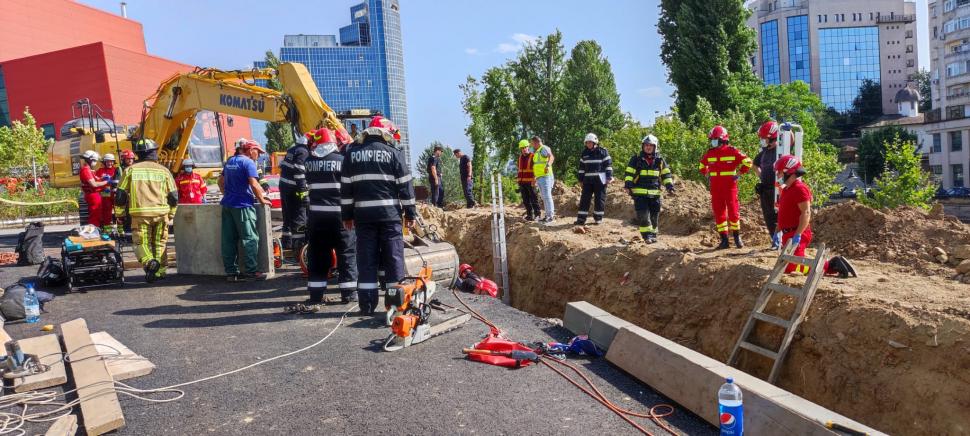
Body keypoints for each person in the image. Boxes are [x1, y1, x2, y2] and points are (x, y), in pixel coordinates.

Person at [341, 115, 415, 316]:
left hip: (363, 218)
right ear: (386, 133)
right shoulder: (394, 153)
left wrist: (346, 215)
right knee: (393, 259)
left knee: (366, 260)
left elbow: (346, 189)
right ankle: (395, 305)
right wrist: (410, 213)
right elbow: (405, 187)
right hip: (390, 217)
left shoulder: (352, 153)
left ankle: (366, 306)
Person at [295, 127, 358, 310]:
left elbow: (302, 186)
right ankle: (348, 294)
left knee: (317, 256)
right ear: (333, 143)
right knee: (346, 254)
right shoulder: (342, 161)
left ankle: (316, 295)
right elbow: (350, 189)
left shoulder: (308, 162)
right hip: (340, 218)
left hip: (316, 218)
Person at [774, 155, 857, 278]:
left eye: (780, 172)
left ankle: (830, 265)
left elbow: (806, 213)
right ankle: (826, 265)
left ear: (789, 172)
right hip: (788, 234)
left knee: (791, 268)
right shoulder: (786, 190)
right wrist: (777, 231)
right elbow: (784, 213)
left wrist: (798, 234)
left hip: (797, 232)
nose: (778, 175)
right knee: (788, 266)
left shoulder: (800, 189)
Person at [114, 139, 178, 282]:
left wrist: (120, 215)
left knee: (141, 243)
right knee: (159, 243)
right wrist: (172, 213)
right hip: (161, 214)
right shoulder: (164, 171)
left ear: (138, 154)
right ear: (154, 153)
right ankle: (159, 272)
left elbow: (120, 196)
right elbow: (174, 196)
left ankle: (149, 263)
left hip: (140, 215)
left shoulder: (130, 170)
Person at [219, 140, 272, 282]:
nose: (259, 155)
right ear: (250, 150)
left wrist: (227, 195)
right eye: (258, 152)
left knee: (229, 240)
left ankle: (231, 273)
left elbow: (220, 182)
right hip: (243, 206)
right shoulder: (248, 163)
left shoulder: (230, 162)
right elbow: (254, 184)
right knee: (250, 239)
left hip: (228, 206)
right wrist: (262, 199)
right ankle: (251, 271)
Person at [699, 125, 752, 249]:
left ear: (722, 139)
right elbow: (701, 166)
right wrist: (707, 174)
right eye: (711, 139)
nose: (712, 142)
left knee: (733, 212)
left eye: (714, 139)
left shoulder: (733, 151)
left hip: (730, 187)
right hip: (716, 188)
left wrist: (739, 174)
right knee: (719, 213)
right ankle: (724, 240)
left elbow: (748, 162)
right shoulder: (710, 153)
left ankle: (737, 238)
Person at [624, 135, 674, 244]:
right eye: (646, 145)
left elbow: (666, 175)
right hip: (640, 194)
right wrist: (628, 184)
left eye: (651, 145)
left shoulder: (660, 160)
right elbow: (629, 173)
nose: (648, 147)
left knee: (654, 217)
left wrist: (669, 186)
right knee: (643, 216)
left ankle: (653, 235)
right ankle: (647, 236)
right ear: (643, 146)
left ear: (655, 147)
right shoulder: (636, 159)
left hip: (655, 194)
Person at [279, 135, 310, 250]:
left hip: (285, 187)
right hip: (294, 190)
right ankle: (299, 247)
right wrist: (303, 193)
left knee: (287, 217)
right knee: (300, 218)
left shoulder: (292, 149)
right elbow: (299, 173)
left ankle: (287, 244)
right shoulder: (304, 151)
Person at [574, 133, 613, 225]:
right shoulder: (584, 153)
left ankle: (598, 219)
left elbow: (608, 165)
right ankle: (581, 220)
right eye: (587, 143)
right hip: (587, 181)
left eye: (590, 142)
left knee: (599, 199)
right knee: (584, 199)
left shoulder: (603, 152)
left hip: (600, 180)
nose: (588, 144)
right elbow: (581, 168)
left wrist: (608, 177)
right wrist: (580, 180)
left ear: (595, 142)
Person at [754, 120, 781, 249]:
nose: (762, 141)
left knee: (779, 216)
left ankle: (780, 241)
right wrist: (762, 177)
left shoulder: (782, 149)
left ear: (772, 138)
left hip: (778, 188)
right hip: (766, 189)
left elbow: (791, 139)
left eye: (764, 138)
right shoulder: (764, 152)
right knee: (769, 217)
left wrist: (786, 130)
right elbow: (755, 165)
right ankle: (774, 241)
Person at [79, 150, 109, 227]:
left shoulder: (89, 170)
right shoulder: (86, 170)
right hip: (92, 195)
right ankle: (93, 231)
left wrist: (102, 178)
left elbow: (95, 180)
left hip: (94, 195)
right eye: (95, 160)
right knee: (95, 215)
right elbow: (94, 184)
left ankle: (96, 230)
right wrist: (106, 182)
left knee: (98, 214)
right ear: (90, 160)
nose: (95, 163)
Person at [531, 136, 556, 223]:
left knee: (547, 196)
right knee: (544, 197)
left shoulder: (543, 148)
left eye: (532, 143)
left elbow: (551, 157)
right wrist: (534, 178)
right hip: (540, 177)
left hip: (545, 176)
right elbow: (536, 166)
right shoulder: (537, 151)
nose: (532, 145)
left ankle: (550, 216)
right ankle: (547, 215)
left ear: (536, 142)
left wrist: (548, 165)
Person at [516, 139, 542, 221]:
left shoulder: (533, 156)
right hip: (522, 182)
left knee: (534, 199)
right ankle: (529, 215)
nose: (524, 149)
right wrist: (518, 180)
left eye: (525, 147)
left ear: (528, 147)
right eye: (522, 148)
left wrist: (534, 179)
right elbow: (519, 169)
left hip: (531, 182)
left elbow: (536, 169)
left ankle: (538, 214)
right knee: (525, 200)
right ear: (520, 149)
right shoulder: (520, 158)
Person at [94, 153, 118, 230]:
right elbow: (96, 180)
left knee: (119, 210)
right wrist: (103, 179)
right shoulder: (100, 171)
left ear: (114, 162)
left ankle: (121, 229)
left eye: (111, 161)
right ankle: (107, 229)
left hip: (115, 191)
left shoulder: (117, 170)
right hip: (105, 191)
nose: (109, 163)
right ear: (104, 162)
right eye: (108, 161)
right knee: (106, 211)